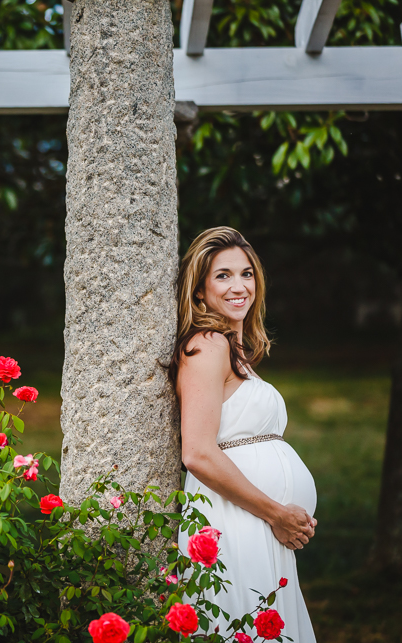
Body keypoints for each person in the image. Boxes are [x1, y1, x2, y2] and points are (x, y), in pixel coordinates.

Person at [172, 227, 318, 642]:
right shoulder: (207, 345)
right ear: (199, 290)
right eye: (223, 275)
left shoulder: (233, 351)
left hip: (256, 521)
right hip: (236, 520)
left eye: (247, 273)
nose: (240, 286)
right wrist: (277, 512)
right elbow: (197, 453)